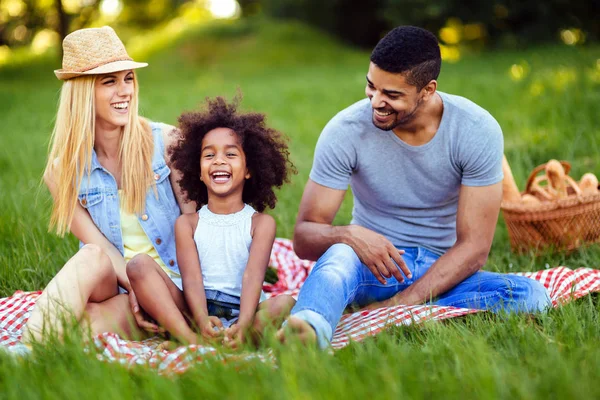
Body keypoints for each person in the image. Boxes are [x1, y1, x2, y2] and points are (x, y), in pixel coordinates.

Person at [279, 26, 552, 348]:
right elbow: (304, 237)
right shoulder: (345, 131)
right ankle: (309, 331)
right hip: (369, 267)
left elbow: (475, 249)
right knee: (339, 256)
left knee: (531, 296)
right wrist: (348, 234)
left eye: (392, 95)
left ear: (427, 89)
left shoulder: (475, 130)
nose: (376, 102)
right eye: (371, 87)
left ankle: (393, 312)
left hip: (444, 271)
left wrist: (400, 304)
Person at [22, 26, 195, 343]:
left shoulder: (167, 143)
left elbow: (199, 229)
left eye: (128, 78)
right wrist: (133, 288)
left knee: (79, 326)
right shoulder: (62, 171)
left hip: (173, 288)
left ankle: (33, 345)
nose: (125, 91)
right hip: (118, 285)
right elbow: (99, 247)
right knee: (90, 257)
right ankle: (24, 353)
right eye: (109, 81)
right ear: (83, 92)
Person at [125, 96, 296, 348]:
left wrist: (245, 321)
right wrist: (202, 319)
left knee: (286, 303)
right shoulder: (188, 224)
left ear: (249, 169)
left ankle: (239, 337)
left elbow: (253, 277)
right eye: (209, 155)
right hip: (196, 310)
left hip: (244, 309)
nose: (219, 160)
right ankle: (191, 339)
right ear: (199, 172)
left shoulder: (261, 224)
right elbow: (191, 278)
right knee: (138, 266)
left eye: (230, 154)